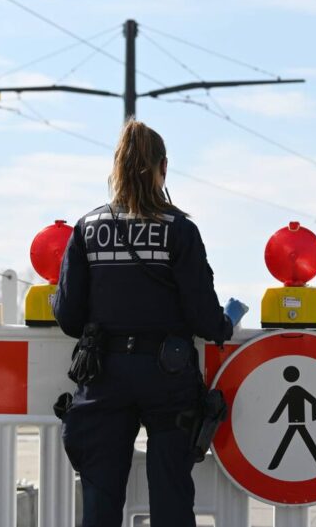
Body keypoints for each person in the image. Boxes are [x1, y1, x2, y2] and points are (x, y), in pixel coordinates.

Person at [54, 119, 246, 527]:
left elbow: (69, 316)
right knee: (172, 497)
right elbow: (202, 315)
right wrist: (224, 324)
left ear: (116, 169)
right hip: (168, 377)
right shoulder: (179, 231)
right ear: (162, 168)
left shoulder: (87, 229)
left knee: (100, 502)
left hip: (103, 374)